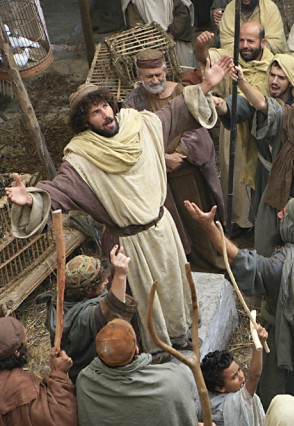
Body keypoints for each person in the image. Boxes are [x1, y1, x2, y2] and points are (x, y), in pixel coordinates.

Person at [5, 56, 232, 357]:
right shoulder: (81, 159)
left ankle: (181, 334)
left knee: (174, 285)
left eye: (105, 107)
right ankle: (154, 348)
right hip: (128, 242)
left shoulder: (141, 125)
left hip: (162, 228)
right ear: (85, 123)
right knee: (142, 299)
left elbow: (175, 113)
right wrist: (31, 198)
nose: (105, 115)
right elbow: (59, 192)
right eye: (95, 113)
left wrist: (204, 85)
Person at [185, 196, 294, 425]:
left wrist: (208, 227)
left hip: (286, 339)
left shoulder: (283, 269)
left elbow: (238, 258)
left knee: (285, 387)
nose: (279, 214)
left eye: (286, 214)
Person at [124, 48, 226, 272]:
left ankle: (213, 266)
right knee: (173, 228)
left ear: (166, 70)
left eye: (159, 74)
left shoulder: (181, 91)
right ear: (139, 77)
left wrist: (179, 152)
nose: (155, 80)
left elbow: (196, 127)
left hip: (189, 174)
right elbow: (133, 141)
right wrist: (162, 158)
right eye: (149, 76)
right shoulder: (133, 104)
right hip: (161, 181)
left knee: (198, 223)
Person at [225, 78, 294, 256]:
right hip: (275, 194)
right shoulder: (288, 119)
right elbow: (263, 104)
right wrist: (243, 83)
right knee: (266, 249)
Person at [195, 21, 275, 236]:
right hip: (232, 126)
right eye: (241, 40)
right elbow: (205, 59)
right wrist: (201, 45)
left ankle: (261, 223)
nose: (245, 45)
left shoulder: (273, 67)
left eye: (251, 41)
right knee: (234, 175)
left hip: (260, 132)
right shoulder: (230, 59)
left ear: (263, 42)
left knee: (261, 176)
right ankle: (239, 221)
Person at [216, 54, 294, 228]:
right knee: (264, 215)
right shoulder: (260, 89)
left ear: (292, 79)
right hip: (266, 168)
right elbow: (247, 103)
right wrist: (222, 105)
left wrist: (242, 81)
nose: (274, 81)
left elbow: (264, 105)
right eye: (272, 75)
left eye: (281, 77)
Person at [76, 319, 199, 426]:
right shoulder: (174, 379)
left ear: (99, 354)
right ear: (136, 350)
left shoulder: (85, 382)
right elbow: (190, 412)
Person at [45, 246, 137, 382]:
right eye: (102, 281)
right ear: (88, 290)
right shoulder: (83, 317)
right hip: (96, 378)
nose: (107, 281)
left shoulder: (59, 300)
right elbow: (113, 311)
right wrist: (121, 274)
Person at [0, 316, 76, 426]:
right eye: (25, 339)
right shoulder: (19, 388)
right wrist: (59, 373)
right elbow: (61, 420)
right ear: (17, 353)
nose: (27, 340)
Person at [199, 323, 268, 425]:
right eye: (234, 377)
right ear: (220, 388)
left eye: (239, 370)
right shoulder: (236, 402)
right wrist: (258, 344)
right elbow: (254, 376)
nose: (241, 376)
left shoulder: (207, 403)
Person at [121, 0, 197, 67]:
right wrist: (149, 38)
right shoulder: (133, 2)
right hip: (149, 44)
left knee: (182, 72)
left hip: (175, 40)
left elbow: (182, 15)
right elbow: (135, 22)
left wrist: (170, 34)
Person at [216, 0, 286, 54]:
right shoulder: (230, 9)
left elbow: (277, 44)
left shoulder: (270, 8)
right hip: (236, 64)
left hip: (265, 64)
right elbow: (226, 45)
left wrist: (254, 51)